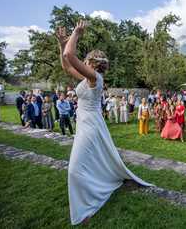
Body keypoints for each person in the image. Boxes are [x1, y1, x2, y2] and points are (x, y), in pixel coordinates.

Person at [56, 22, 152, 225]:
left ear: (90, 62)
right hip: (85, 123)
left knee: (74, 169)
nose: (81, 60)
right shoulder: (86, 77)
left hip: (89, 126)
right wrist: (61, 42)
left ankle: (85, 209)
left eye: (85, 58)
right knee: (87, 163)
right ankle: (94, 193)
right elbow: (66, 65)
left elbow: (69, 56)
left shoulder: (94, 78)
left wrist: (75, 34)